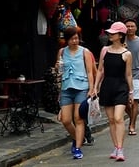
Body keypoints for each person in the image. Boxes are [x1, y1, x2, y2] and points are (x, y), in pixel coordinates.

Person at [93, 22, 133, 162]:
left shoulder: (127, 54)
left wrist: (131, 92)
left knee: (118, 118)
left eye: (113, 33)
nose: (110, 35)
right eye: (110, 33)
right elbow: (100, 70)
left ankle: (121, 149)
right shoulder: (105, 50)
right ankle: (115, 146)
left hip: (121, 87)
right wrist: (95, 87)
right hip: (107, 86)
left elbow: (128, 75)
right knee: (111, 120)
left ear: (120, 35)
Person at [56, 27, 95, 159]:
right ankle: (78, 138)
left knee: (78, 119)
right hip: (66, 88)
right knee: (66, 120)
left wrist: (91, 88)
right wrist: (57, 68)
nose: (75, 41)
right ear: (66, 40)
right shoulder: (62, 52)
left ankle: (77, 147)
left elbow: (90, 71)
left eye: (77, 38)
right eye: (72, 38)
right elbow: (59, 72)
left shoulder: (85, 52)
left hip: (81, 87)